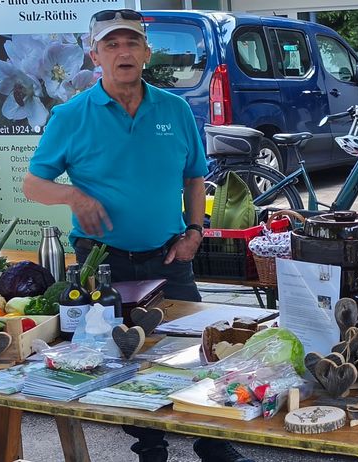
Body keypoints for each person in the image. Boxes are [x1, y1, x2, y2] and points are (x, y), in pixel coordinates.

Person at [23, 9, 251, 462]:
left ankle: (213, 439)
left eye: (132, 44)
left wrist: (194, 230)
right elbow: (33, 184)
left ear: (147, 53)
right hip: (101, 264)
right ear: (94, 55)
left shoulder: (175, 108)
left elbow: (194, 178)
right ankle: (148, 443)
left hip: (170, 256)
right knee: (120, 356)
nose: (123, 52)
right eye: (111, 45)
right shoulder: (71, 115)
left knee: (199, 349)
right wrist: (74, 197)